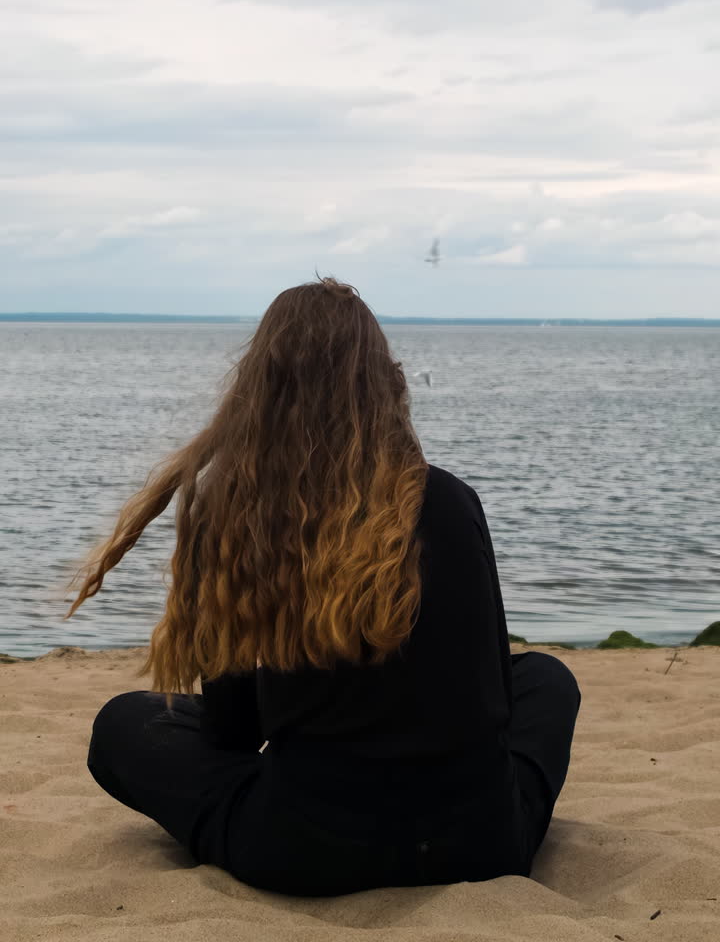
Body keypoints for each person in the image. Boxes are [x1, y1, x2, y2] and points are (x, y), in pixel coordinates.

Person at [65, 277, 581, 897]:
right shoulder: (449, 498)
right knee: (545, 678)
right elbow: (492, 690)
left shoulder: (240, 512)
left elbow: (232, 732)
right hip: (480, 843)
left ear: (259, 388)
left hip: (309, 851)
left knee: (125, 723)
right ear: (384, 382)